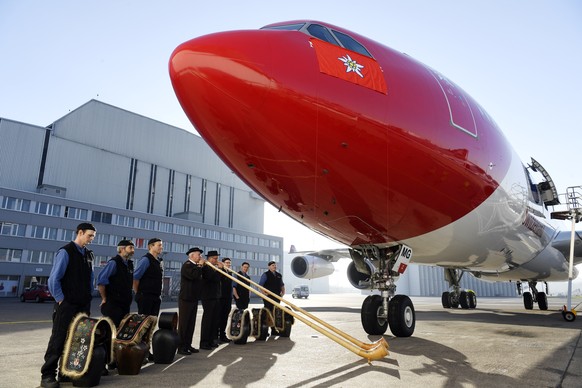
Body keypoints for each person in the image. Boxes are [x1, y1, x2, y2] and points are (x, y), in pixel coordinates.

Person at [40, 223, 96, 388]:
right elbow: (53, 279)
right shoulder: (65, 252)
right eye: (90, 235)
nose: (92, 239)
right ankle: (47, 375)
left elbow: (90, 278)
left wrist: (88, 296)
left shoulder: (88, 254)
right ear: (80, 232)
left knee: (77, 341)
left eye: (93, 236)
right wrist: (61, 300)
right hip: (67, 304)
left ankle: (66, 372)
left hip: (83, 305)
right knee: (58, 339)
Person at [97, 239, 135, 328]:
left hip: (125, 304)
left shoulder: (130, 264)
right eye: (131, 248)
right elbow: (101, 281)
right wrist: (104, 299)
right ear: (122, 249)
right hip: (113, 304)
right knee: (112, 329)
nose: (133, 251)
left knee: (122, 329)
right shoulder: (114, 263)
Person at [177, 247, 204, 355]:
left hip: (193, 298)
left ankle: (188, 344)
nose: (200, 257)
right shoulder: (187, 265)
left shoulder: (196, 266)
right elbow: (193, 276)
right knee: (184, 324)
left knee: (191, 323)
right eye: (198, 255)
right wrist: (201, 265)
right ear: (191, 255)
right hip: (186, 298)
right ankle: (181, 347)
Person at [133, 238, 164, 316]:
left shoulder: (159, 261)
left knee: (153, 323)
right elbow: (135, 278)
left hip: (156, 297)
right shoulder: (146, 260)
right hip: (145, 297)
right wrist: (138, 293)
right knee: (144, 324)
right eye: (159, 245)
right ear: (151, 246)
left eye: (161, 245)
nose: (161, 247)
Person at [199, 250, 223, 350]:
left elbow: (220, 279)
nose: (216, 260)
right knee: (208, 320)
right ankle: (204, 342)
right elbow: (213, 278)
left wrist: (220, 270)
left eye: (217, 258)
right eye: (214, 258)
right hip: (208, 297)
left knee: (214, 320)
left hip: (216, 296)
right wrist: (219, 270)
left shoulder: (214, 268)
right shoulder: (206, 267)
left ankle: (211, 340)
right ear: (209, 258)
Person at [259, 261, 285, 336]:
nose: (274, 267)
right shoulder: (265, 275)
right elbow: (261, 285)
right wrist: (264, 293)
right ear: (269, 267)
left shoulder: (279, 275)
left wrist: (283, 293)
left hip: (277, 297)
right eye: (273, 265)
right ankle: (265, 330)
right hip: (268, 297)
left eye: (275, 265)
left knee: (275, 313)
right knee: (268, 313)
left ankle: (273, 330)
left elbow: (282, 285)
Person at [217, 257, 232, 343]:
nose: (228, 264)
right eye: (227, 263)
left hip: (228, 298)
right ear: (222, 263)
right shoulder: (220, 271)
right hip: (221, 298)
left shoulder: (229, 272)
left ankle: (223, 335)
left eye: (229, 263)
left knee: (225, 317)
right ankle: (217, 335)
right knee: (219, 317)